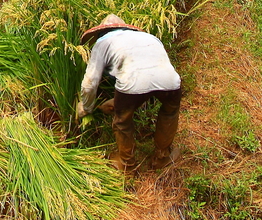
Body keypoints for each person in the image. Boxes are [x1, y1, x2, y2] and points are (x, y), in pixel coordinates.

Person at [74, 14, 182, 172]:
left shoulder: (103, 42)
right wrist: (115, 101)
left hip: (132, 84)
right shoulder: (150, 37)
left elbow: (90, 82)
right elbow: (151, 76)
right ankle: (162, 157)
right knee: (169, 112)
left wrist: (86, 106)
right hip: (171, 82)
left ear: (100, 32)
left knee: (122, 122)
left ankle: (127, 165)